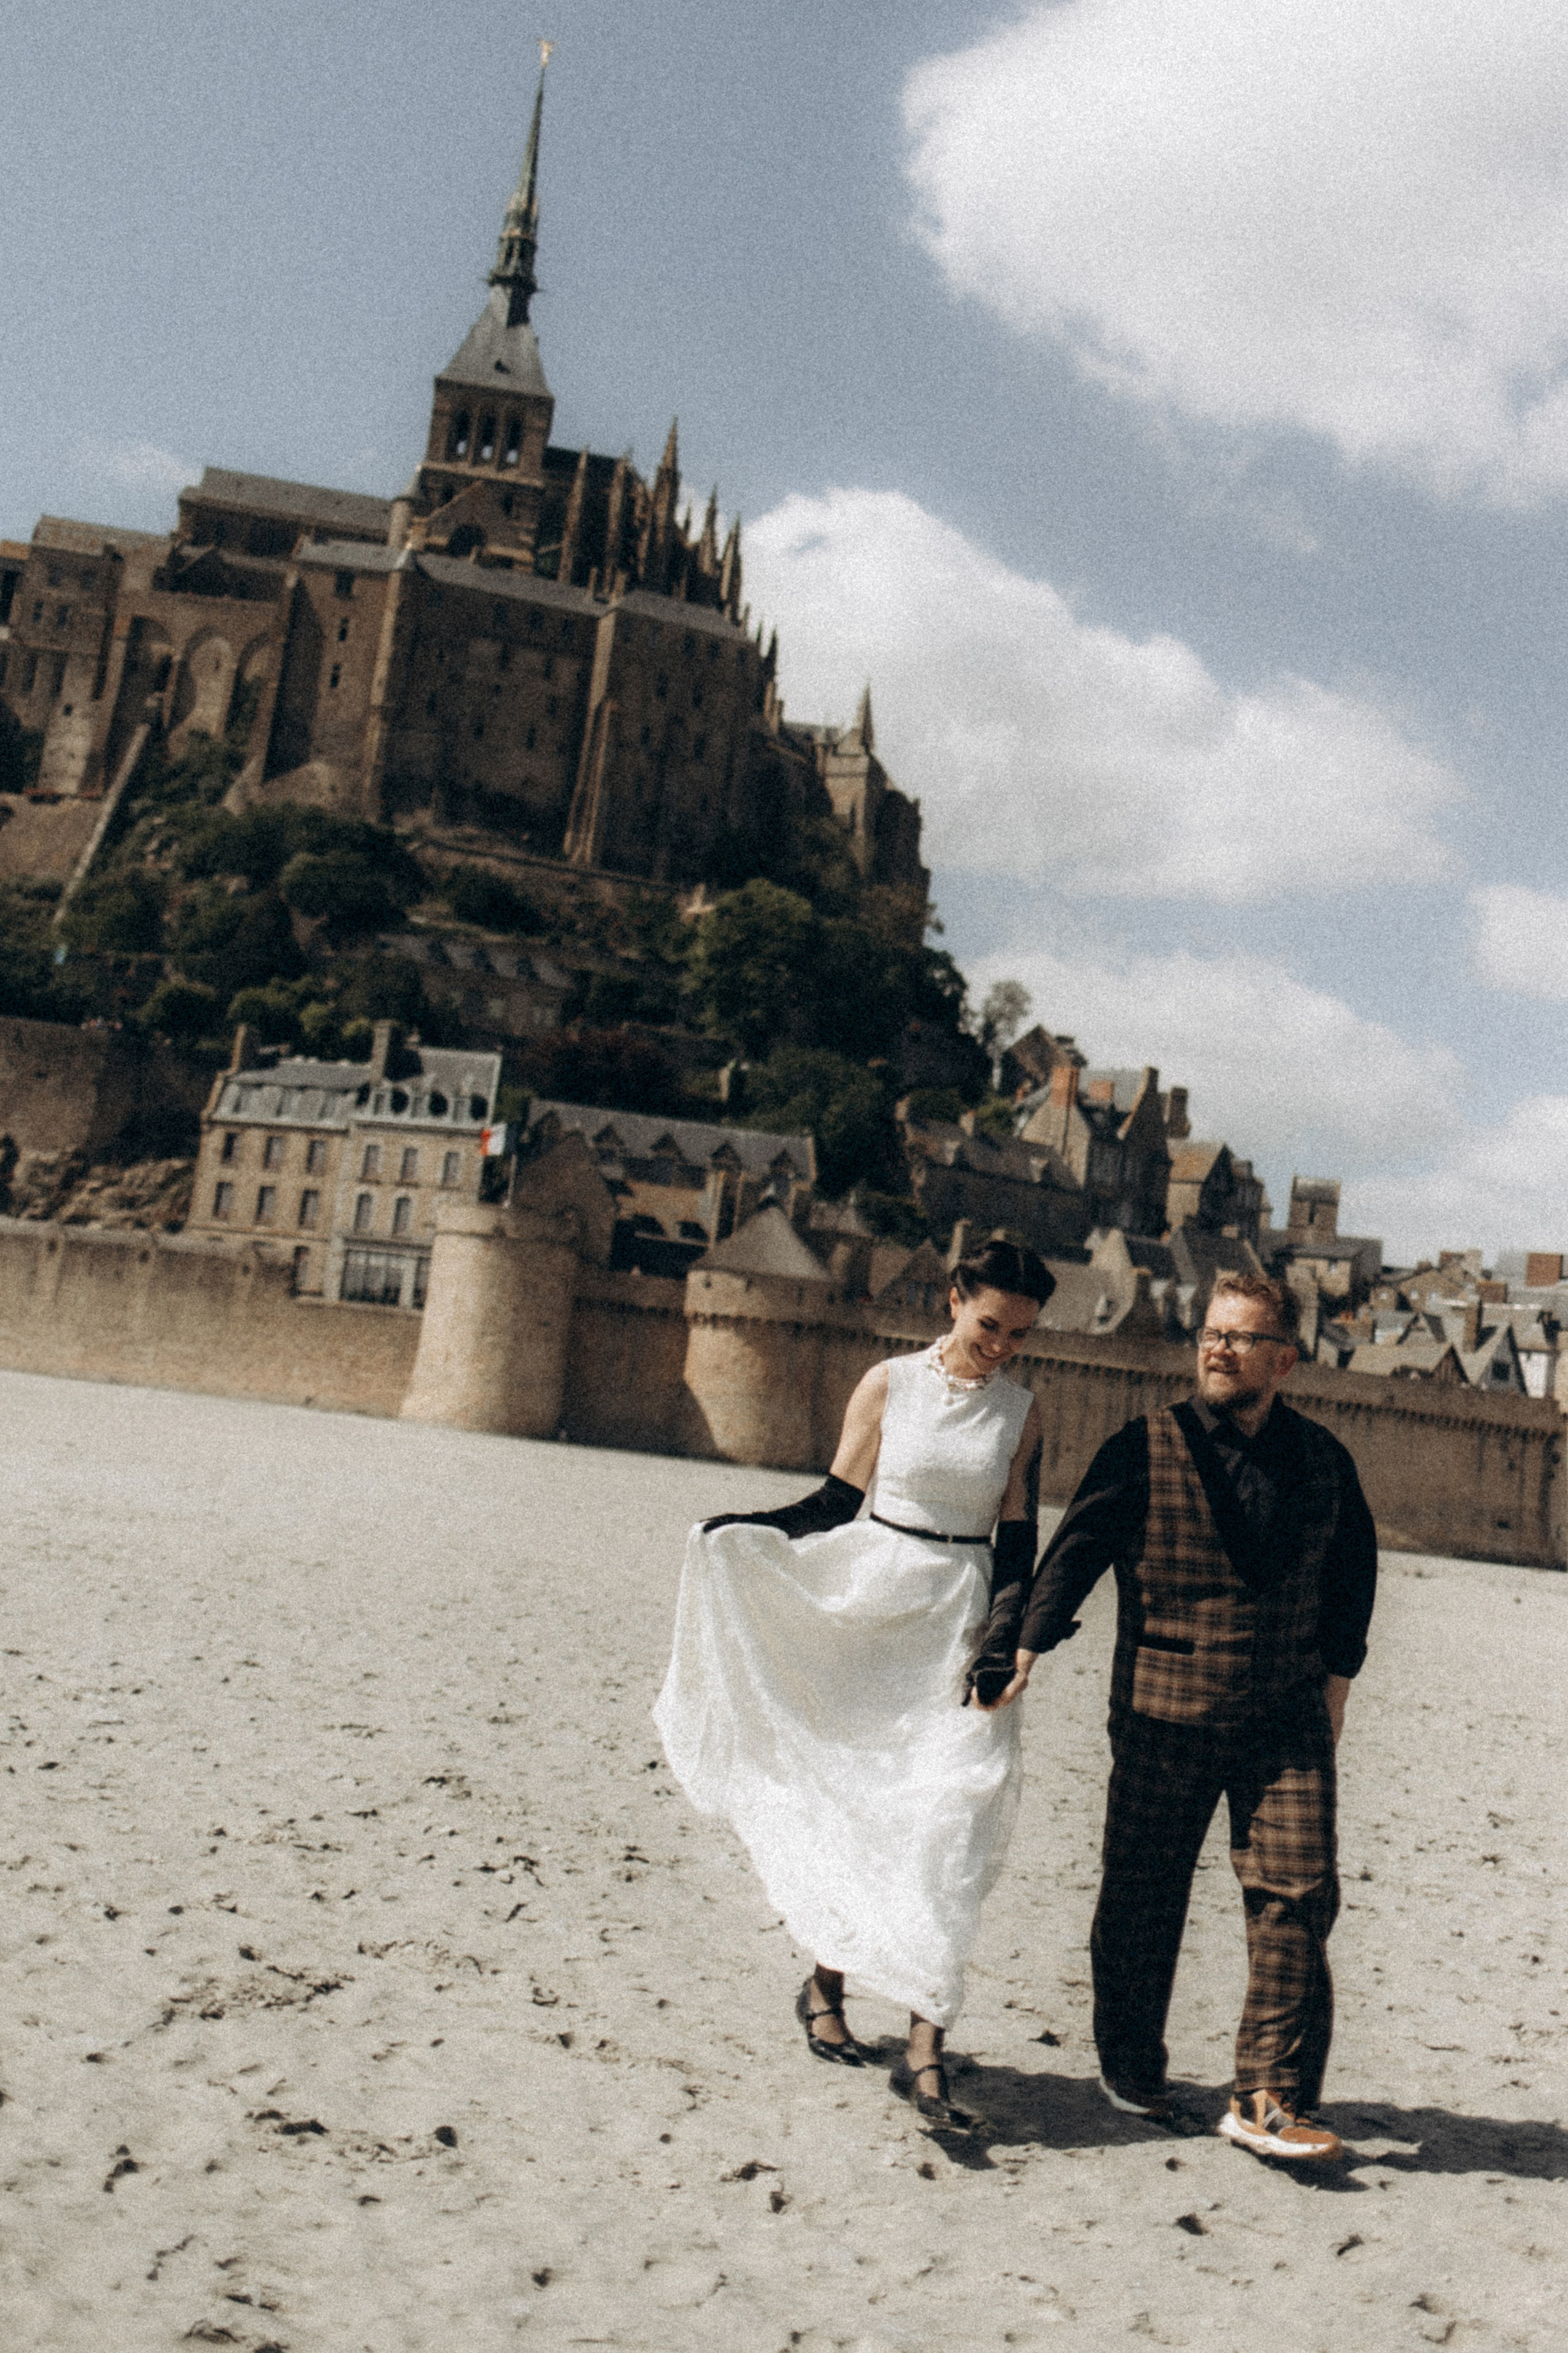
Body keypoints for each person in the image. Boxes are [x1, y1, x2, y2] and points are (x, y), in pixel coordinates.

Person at [654, 1238, 1054, 2132]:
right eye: (991, 1325)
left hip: (959, 1620)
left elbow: (1018, 1538)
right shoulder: (888, 1384)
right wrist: (744, 1532)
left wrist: (1006, 1638)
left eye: (1020, 1335)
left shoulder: (1023, 1412)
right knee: (862, 1807)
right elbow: (836, 1500)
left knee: (947, 1818)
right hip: (874, 1606)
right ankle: (825, 1982)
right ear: (954, 1299)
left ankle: (926, 2051)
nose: (1002, 1346)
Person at [1016, 1271, 1377, 2163]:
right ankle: (1133, 2069)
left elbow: (1352, 1581)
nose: (1217, 1348)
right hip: (1161, 1710)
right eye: (1211, 1332)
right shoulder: (1142, 1446)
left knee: (1298, 1893)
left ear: (1284, 1359)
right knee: (1143, 1893)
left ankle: (1268, 2093)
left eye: (1241, 1337)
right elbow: (1075, 1555)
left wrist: (1335, 1689)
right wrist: (1021, 1646)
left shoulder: (1326, 1458)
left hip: (1285, 1718)